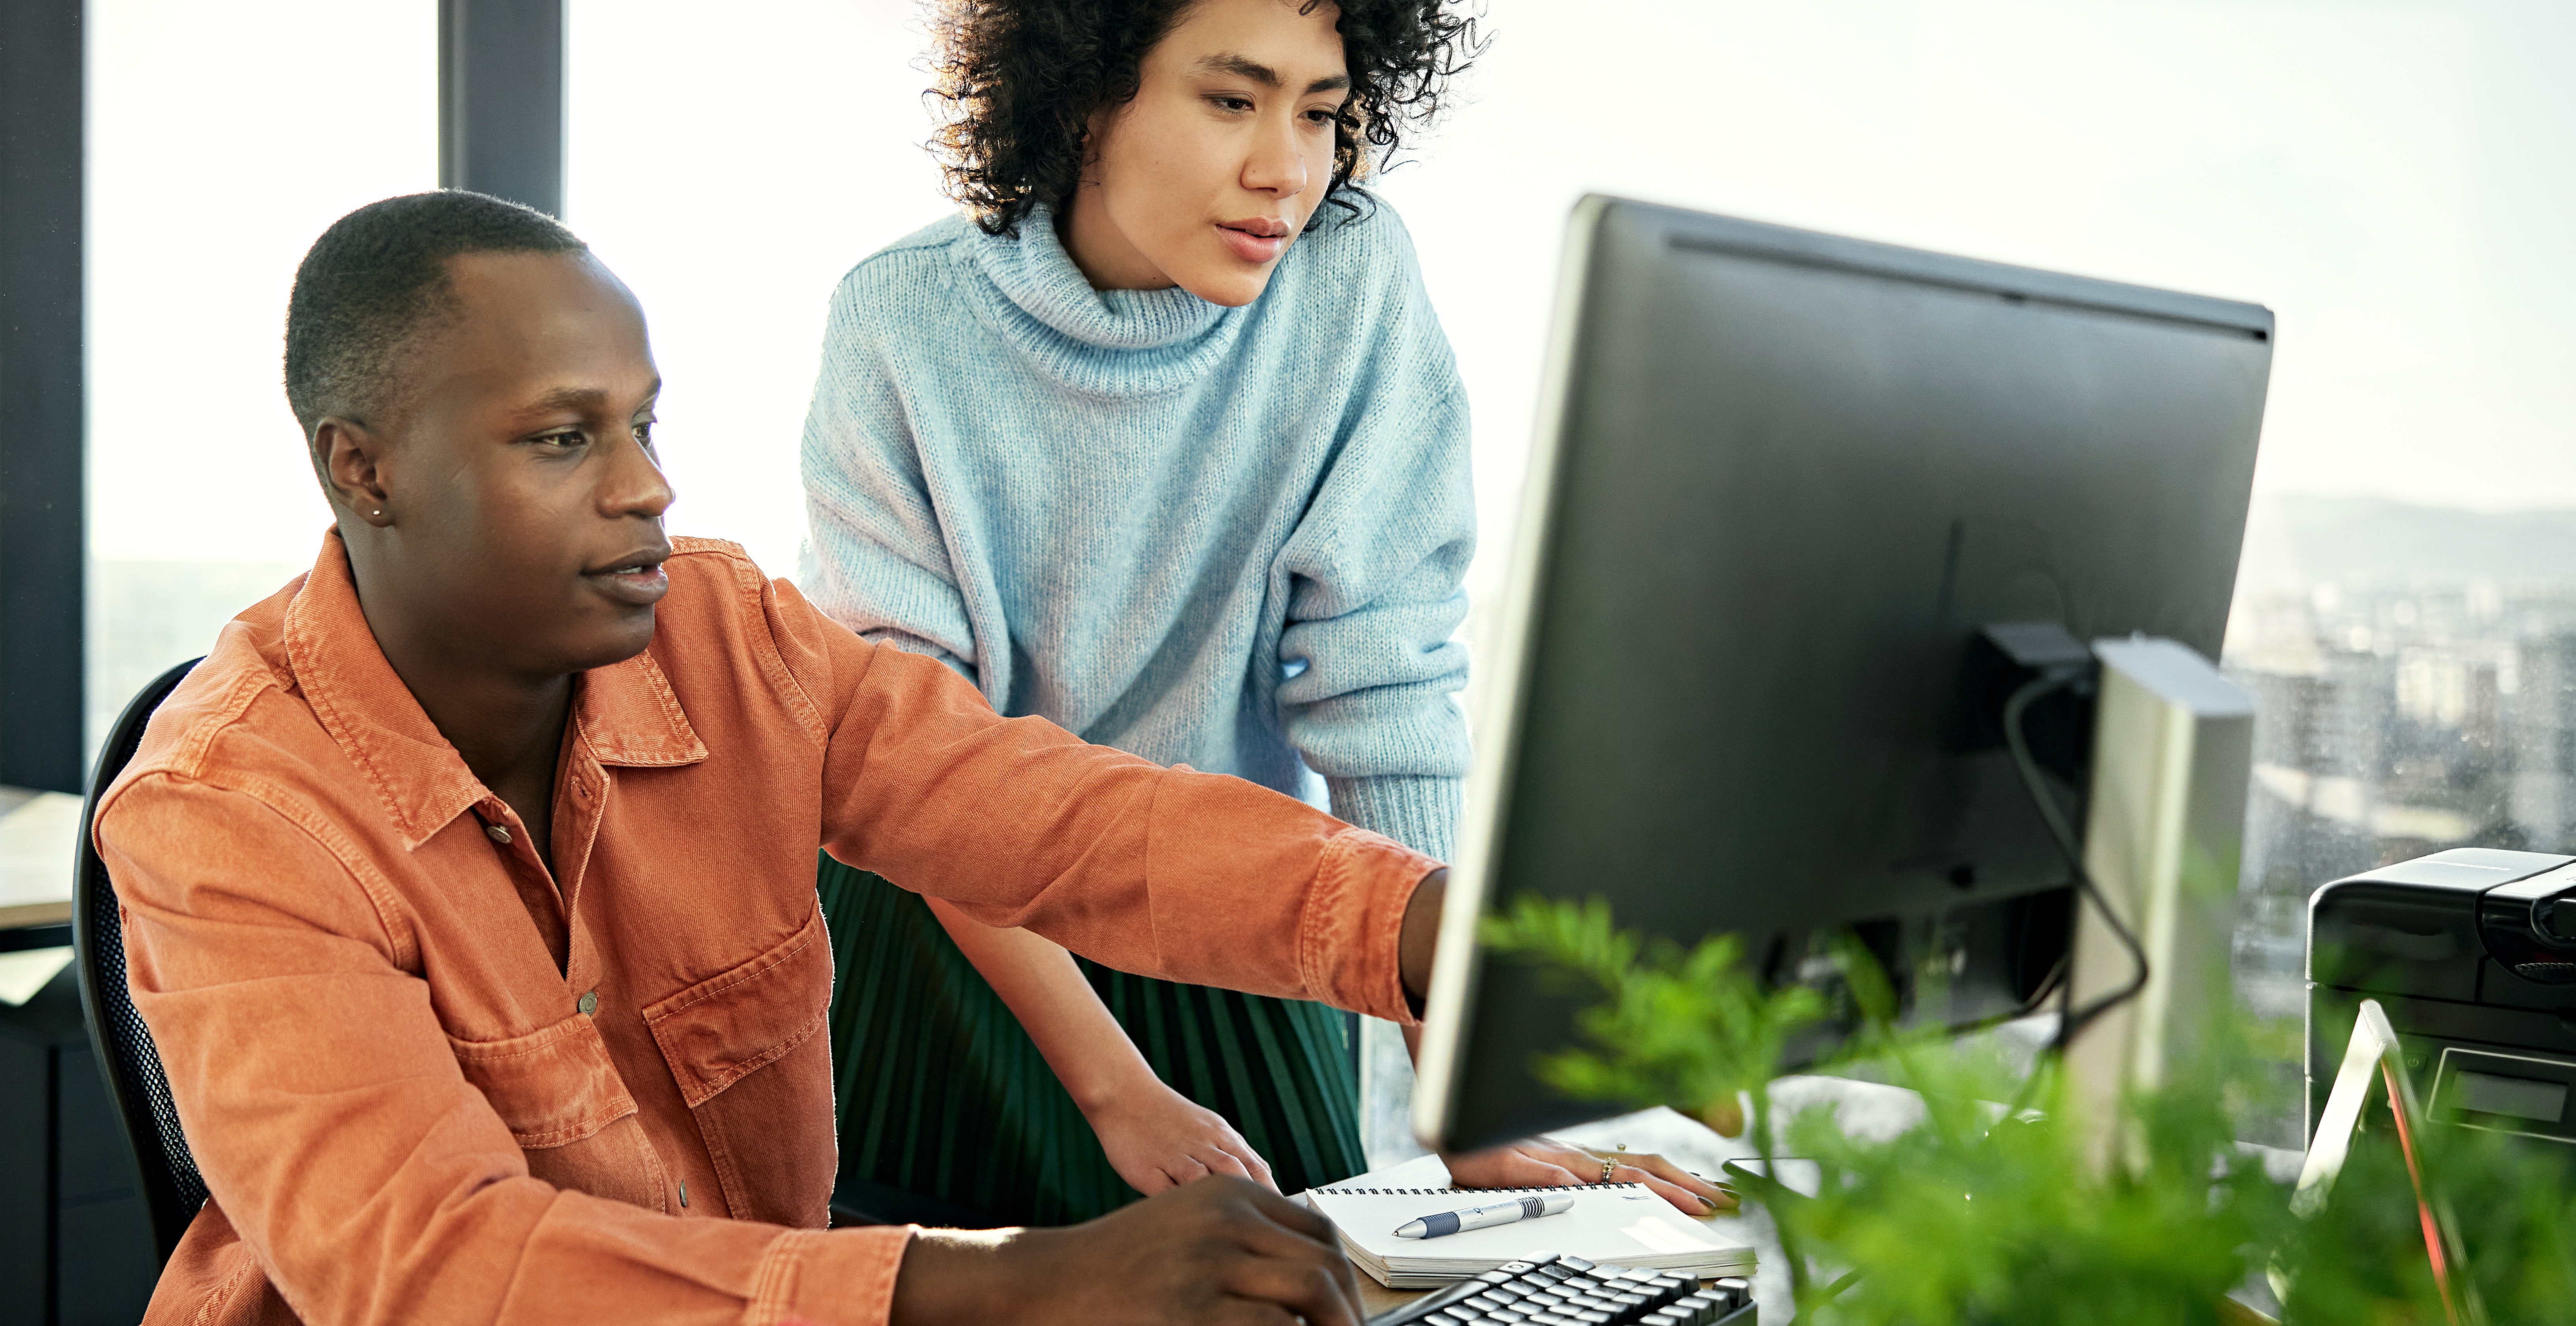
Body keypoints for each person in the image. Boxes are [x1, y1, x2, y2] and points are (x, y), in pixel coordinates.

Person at [96, 188, 1540, 1326]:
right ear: (366, 469)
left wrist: (1423, 928)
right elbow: (429, 1269)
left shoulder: (722, 638)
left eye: (643, 422)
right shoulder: (225, 812)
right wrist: (1007, 1285)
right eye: (560, 436)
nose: (647, 483)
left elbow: (1055, 821)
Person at [801, 0, 1721, 1220]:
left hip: (1238, 906)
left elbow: (1382, 683)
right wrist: (1115, 1086)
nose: (1285, 170)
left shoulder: (1350, 276)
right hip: (947, 933)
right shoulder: (899, 318)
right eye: (1231, 100)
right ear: (1082, 92)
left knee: (1306, 1268)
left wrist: (1464, 1095)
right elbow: (916, 764)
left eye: (1322, 111)